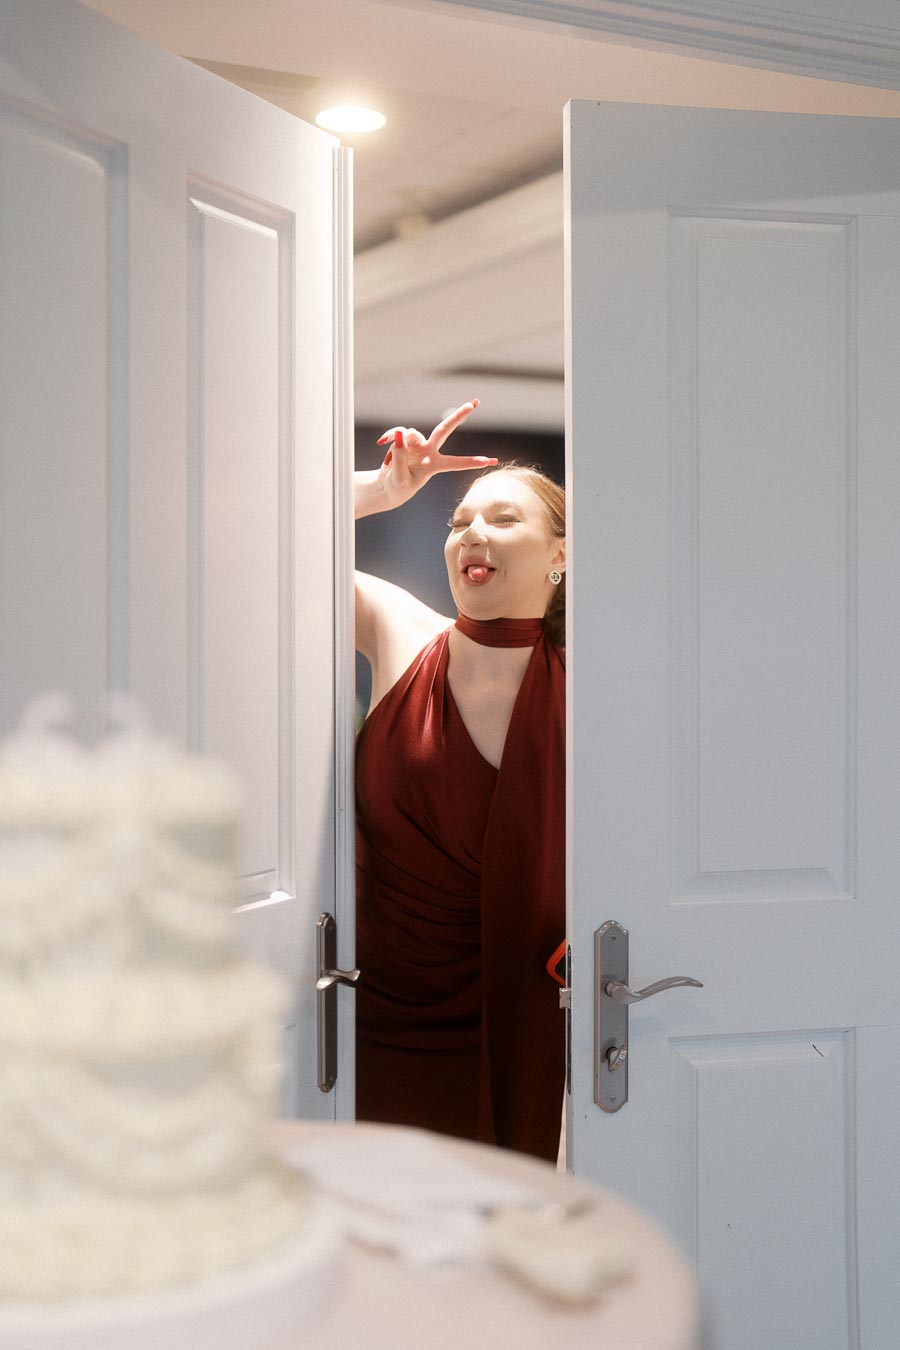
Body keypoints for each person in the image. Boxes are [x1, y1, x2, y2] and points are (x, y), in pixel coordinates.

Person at [354, 400, 566, 1162]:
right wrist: (378, 494)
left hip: (527, 1018)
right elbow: (255, 542)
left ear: (560, 555)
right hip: (378, 1011)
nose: (472, 533)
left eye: (503, 520)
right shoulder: (400, 630)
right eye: (458, 522)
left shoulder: (602, 683)